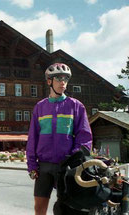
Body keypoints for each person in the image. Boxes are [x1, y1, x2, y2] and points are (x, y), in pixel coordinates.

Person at [26, 63, 92, 215]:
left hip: (66, 166)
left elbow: (84, 138)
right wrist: (31, 165)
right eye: (59, 78)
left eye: (66, 79)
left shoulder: (76, 106)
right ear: (49, 81)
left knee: (65, 209)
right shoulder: (40, 107)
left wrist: (74, 160)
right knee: (39, 208)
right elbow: (33, 138)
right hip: (44, 166)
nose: (63, 82)